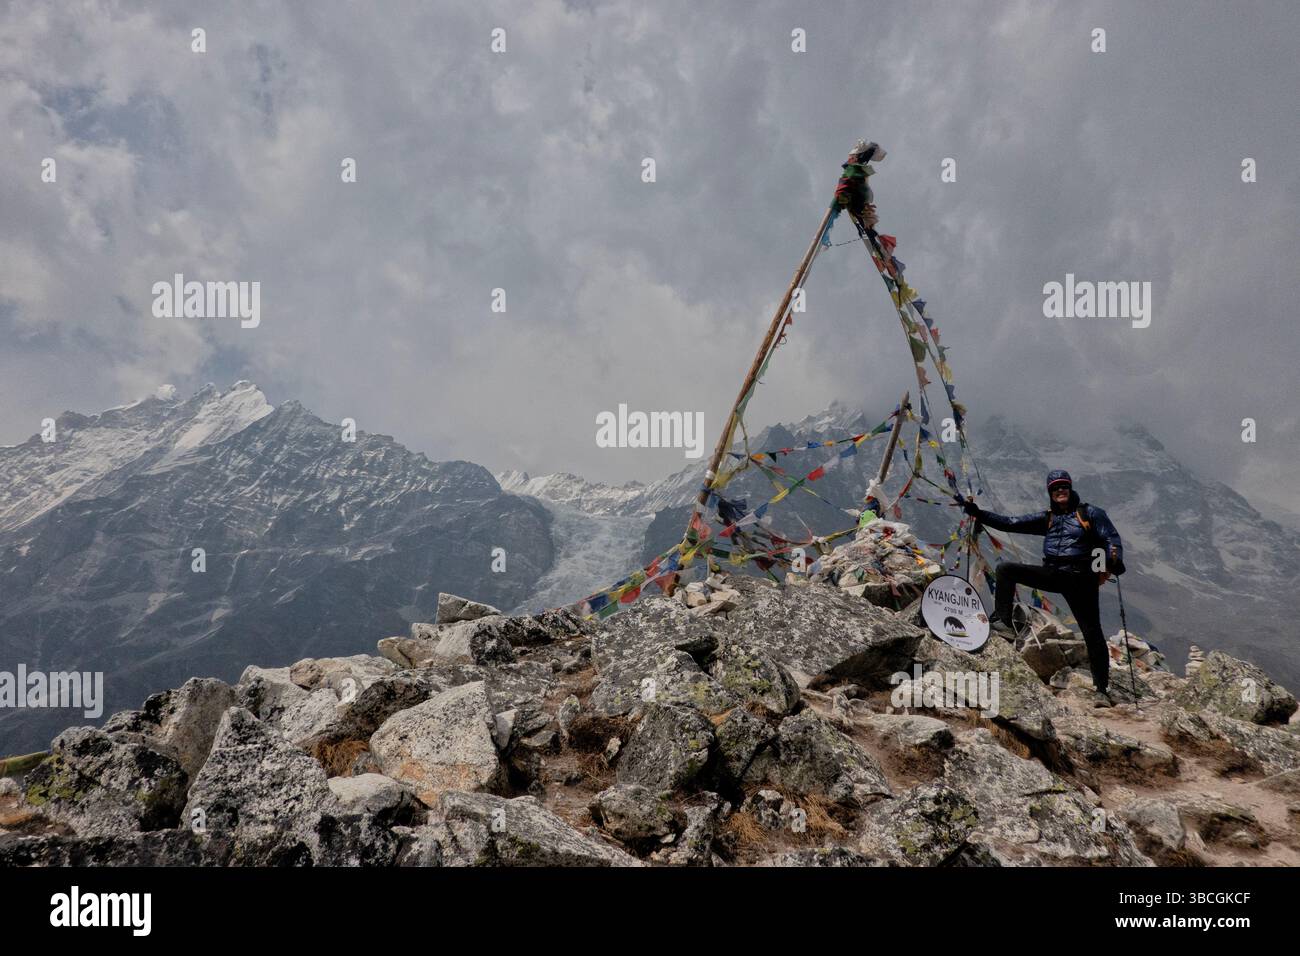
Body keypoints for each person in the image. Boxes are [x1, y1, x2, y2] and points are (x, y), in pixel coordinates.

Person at [962, 469, 1126, 707]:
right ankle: (1005, 623)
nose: (1061, 491)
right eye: (1056, 488)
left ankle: (1102, 689)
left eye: (1064, 487)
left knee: (1092, 632)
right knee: (1006, 570)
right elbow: (1011, 523)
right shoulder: (1048, 518)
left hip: (1081, 579)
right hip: (1053, 574)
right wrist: (979, 514)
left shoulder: (1090, 513)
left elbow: (1111, 538)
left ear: (1070, 489)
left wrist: (1113, 559)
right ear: (1050, 493)